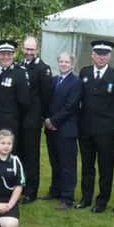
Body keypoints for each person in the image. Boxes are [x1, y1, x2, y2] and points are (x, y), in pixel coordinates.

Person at [77, 40, 114, 213]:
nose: (101, 57)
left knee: (105, 168)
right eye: (98, 53)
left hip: (106, 131)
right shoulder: (84, 72)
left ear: (110, 56)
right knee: (87, 166)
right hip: (86, 129)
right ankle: (86, 198)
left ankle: (102, 201)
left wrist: (111, 120)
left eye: (104, 54)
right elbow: (80, 99)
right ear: (92, 55)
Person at [43, 52, 82, 210]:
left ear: (72, 64)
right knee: (55, 162)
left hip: (66, 129)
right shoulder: (54, 80)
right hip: (51, 129)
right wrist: (46, 118)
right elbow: (47, 101)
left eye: (67, 62)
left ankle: (67, 197)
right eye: (61, 61)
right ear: (58, 63)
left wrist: (53, 121)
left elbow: (70, 106)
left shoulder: (76, 82)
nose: (64, 64)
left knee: (67, 164)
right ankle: (55, 190)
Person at [18, 36, 52, 204]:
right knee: (19, 154)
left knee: (31, 156)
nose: (29, 52)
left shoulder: (43, 69)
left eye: (32, 49)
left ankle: (31, 191)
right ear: (22, 49)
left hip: (32, 119)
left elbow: (46, 97)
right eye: (27, 49)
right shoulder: (19, 65)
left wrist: (43, 116)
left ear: (37, 50)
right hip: (18, 118)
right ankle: (20, 188)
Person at [0, 40, 30, 157]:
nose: (6, 57)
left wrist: (13, 118)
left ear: (14, 55)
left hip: (9, 124)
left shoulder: (20, 74)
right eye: (3, 54)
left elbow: (24, 102)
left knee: (7, 158)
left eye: (9, 54)